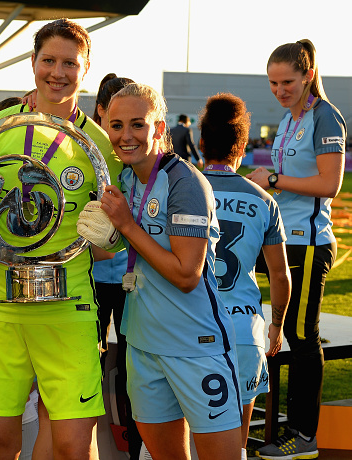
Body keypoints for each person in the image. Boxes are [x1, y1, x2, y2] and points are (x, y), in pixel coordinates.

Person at [0, 18, 123, 460]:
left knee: (74, 446)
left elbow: (113, 237)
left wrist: (113, 237)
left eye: (69, 63)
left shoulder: (99, 143)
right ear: (33, 62)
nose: (57, 72)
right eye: (48, 60)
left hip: (68, 307)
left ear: (87, 67)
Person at [79, 82, 242, 460]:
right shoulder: (122, 179)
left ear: (159, 127)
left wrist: (127, 225)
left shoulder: (184, 182)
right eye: (116, 126)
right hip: (141, 345)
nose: (125, 136)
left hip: (194, 347)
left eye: (138, 124)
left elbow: (187, 274)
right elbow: (110, 252)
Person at [247, 40, 346, 460]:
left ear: (307, 75)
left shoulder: (325, 116)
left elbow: (329, 185)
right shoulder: (292, 118)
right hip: (281, 240)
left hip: (308, 246)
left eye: (287, 81)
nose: (279, 90)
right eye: (272, 83)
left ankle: (304, 438)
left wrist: (272, 181)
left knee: (301, 337)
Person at [199, 92, 291, 460]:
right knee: (234, 443)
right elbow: (280, 276)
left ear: (202, 143)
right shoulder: (264, 200)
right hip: (242, 330)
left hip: (188, 326)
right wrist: (277, 324)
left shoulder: (178, 187)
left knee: (178, 438)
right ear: (242, 146)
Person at [91, 72, 143, 460]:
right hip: (92, 276)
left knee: (131, 363)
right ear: (100, 114)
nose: (123, 133)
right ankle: (88, 441)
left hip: (130, 278)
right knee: (90, 360)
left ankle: (134, 444)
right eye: (114, 121)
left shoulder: (138, 161)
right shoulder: (85, 153)